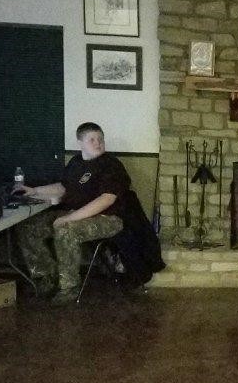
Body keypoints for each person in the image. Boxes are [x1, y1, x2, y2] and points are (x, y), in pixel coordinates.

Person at [15, 122, 162, 304]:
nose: (98, 143)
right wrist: (35, 190)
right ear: (80, 143)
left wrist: (68, 218)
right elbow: (64, 187)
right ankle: (46, 277)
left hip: (110, 219)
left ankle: (69, 287)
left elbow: (107, 199)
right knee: (28, 227)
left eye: (100, 139)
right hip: (76, 213)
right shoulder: (76, 163)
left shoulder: (111, 165)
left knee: (66, 230)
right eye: (92, 139)